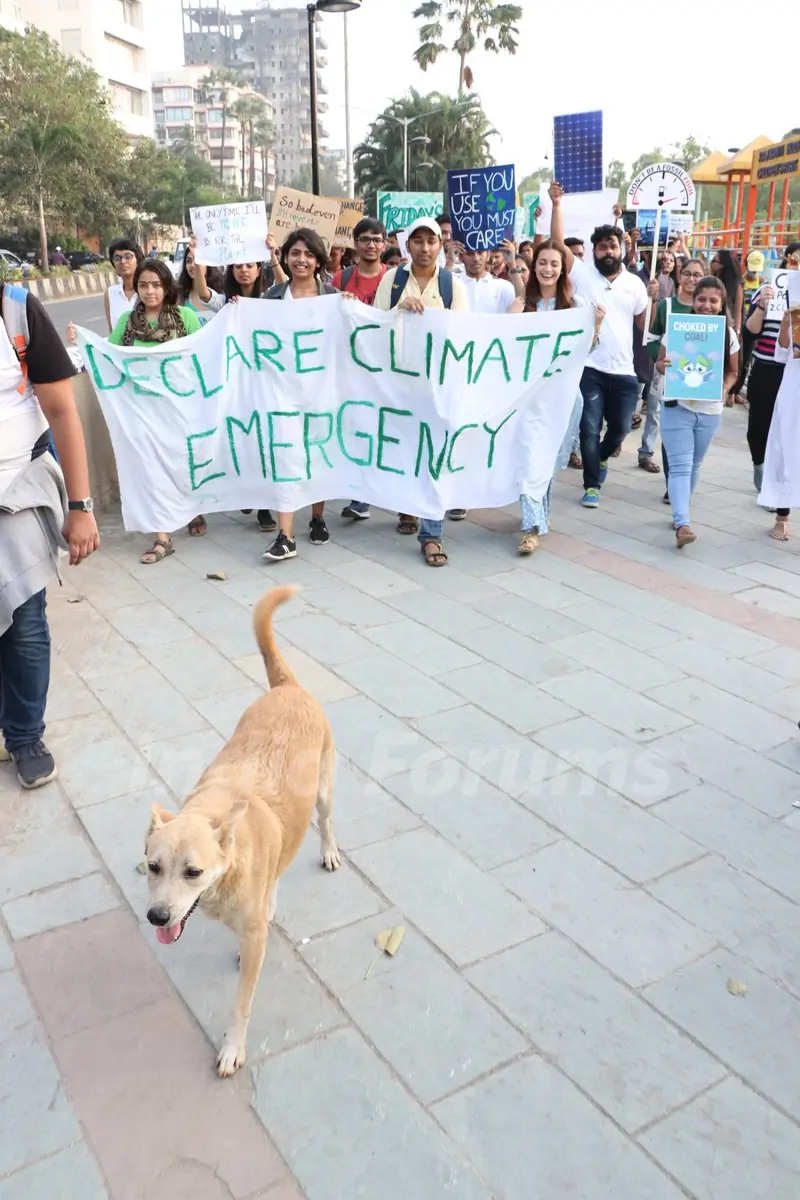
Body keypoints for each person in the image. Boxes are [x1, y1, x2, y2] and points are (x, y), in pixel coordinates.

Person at [0, 281, 99, 787]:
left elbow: (62, 412)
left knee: (23, 621)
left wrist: (80, 506)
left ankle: (22, 734)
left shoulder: (15, 311)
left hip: (15, 490)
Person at [551, 181, 658, 507]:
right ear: (594, 251)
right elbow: (557, 243)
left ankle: (602, 460)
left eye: (612, 246)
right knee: (588, 428)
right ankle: (592, 485)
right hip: (589, 368)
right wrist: (556, 204)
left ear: (621, 250)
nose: (607, 252)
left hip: (624, 371)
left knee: (621, 429)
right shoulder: (583, 275)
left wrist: (654, 300)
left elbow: (645, 327)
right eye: (601, 247)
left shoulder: (636, 284)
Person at [374, 216, 467, 567]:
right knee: (403, 452)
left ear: (439, 246)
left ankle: (431, 534)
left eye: (431, 241)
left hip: (438, 385)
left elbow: (461, 335)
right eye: (418, 241)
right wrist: (399, 311)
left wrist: (432, 314)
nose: (425, 248)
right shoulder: (393, 281)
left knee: (433, 458)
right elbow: (374, 327)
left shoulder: (451, 286)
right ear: (407, 246)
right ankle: (407, 508)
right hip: (399, 384)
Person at [108, 258, 203, 561]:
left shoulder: (185, 318)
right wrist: (81, 343)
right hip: (141, 410)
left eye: (156, 285)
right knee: (151, 470)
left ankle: (191, 509)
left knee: (180, 466)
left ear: (166, 286)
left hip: (177, 409)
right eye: (143, 285)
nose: (150, 291)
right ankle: (163, 537)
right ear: (136, 287)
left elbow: (202, 356)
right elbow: (109, 356)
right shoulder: (126, 323)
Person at [517, 240, 605, 554]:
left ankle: (540, 513)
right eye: (542, 262)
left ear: (563, 268)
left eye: (555, 263)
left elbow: (588, 349)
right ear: (533, 265)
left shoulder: (576, 305)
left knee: (549, 460)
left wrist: (595, 326)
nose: (548, 269)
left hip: (565, 398)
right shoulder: (521, 305)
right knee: (530, 460)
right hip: (528, 400)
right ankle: (530, 527)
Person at [261, 228, 337, 563]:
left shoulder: (333, 296)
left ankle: (317, 517)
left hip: (320, 391)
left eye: (308, 254)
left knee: (316, 454)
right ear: (285, 257)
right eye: (295, 253)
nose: (301, 260)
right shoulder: (271, 298)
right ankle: (285, 535)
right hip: (281, 393)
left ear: (318, 260)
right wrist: (239, 311)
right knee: (285, 458)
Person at [657, 275, 739, 547]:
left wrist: (724, 390)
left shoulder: (728, 334)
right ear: (693, 300)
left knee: (694, 465)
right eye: (701, 299)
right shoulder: (678, 328)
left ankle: (681, 512)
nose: (707, 305)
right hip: (677, 406)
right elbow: (659, 363)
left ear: (721, 303)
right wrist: (665, 364)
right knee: (680, 466)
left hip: (709, 411)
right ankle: (682, 523)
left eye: (713, 300)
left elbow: (733, 372)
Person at [745, 241, 800, 538]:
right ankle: (779, 509)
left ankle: (784, 505)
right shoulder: (773, 291)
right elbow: (759, 336)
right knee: (769, 436)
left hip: (792, 375)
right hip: (774, 373)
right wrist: (774, 311)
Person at [336, 218, 389, 522]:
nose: (371, 245)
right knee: (358, 429)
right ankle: (360, 496)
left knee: (388, 429)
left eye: (377, 239)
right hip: (353, 367)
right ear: (355, 243)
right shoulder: (341, 280)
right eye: (365, 239)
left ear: (385, 245)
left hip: (387, 367)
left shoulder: (395, 279)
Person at [641, 259, 706, 485]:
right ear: (680, 276)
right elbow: (650, 339)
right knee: (664, 424)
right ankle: (661, 468)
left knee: (686, 433)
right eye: (687, 273)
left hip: (698, 381)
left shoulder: (708, 308)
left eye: (697, 275)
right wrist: (661, 361)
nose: (691, 279)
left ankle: (679, 478)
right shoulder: (666, 306)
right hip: (668, 377)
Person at [733, 248, 765, 401]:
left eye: (756, 270)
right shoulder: (740, 282)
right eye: (752, 269)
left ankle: (737, 391)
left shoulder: (764, 284)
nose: (754, 273)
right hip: (739, 325)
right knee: (735, 358)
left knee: (746, 362)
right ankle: (731, 391)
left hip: (753, 327)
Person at [177, 237, 225, 326]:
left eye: (197, 260)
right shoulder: (180, 297)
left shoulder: (221, 295)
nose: (193, 265)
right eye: (188, 261)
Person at [710, 248, 743, 335]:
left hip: (727, 327)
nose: (710, 263)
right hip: (710, 325)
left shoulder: (736, 285)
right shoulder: (709, 281)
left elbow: (737, 311)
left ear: (722, 265)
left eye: (714, 261)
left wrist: (737, 332)